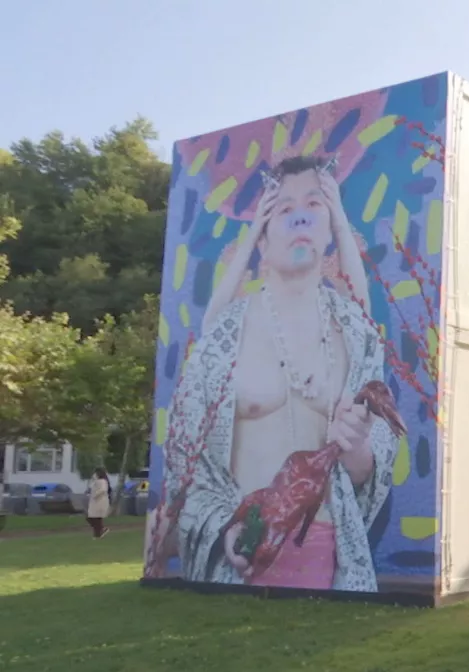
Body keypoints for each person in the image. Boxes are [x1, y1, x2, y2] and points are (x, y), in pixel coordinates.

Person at [160, 154, 399, 592]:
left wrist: (358, 445)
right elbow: (189, 457)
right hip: (240, 552)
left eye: (314, 204)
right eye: (284, 208)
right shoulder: (227, 333)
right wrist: (224, 529)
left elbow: (366, 469)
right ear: (262, 241)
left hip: (326, 557)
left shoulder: (354, 333)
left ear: (331, 231)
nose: (300, 218)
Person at [86, 468, 111, 539]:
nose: (93, 475)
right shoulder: (96, 481)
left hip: (100, 502)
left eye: (95, 473)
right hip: (96, 502)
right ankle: (99, 532)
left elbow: (103, 489)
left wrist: (95, 495)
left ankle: (100, 531)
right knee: (95, 518)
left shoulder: (102, 481)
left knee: (94, 517)